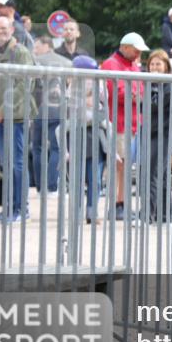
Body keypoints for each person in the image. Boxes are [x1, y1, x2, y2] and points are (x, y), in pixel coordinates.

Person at [0, 16, 37, 221]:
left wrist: (2, 109)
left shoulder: (20, 52)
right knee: (6, 163)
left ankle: (21, 209)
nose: (0, 31)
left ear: (12, 30)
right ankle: (10, 207)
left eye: (4, 28)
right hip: (0, 116)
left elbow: (26, 84)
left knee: (17, 163)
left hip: (16, 115)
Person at [101, 32, 149, 220]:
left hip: (132, 123)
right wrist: (136, 95)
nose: (138, 54)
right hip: (119, 123)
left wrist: (136, 94)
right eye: (136, 50)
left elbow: (139, 90)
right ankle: (116, 204)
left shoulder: (132, 65)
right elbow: (118, 92)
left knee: (125, 165)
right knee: (119, 165)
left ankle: (121, 203)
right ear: (126, 47)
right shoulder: (111, 64)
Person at [65, 55, 105, 224]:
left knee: (95, 178)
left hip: (95, 135)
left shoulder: (99, 86)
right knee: (77, 179)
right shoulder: (71, 88)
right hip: (76, 134)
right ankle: (77, 211)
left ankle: (92, 212)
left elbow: (104, 111)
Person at [30, 36, 71, 194]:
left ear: (47, 46)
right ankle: (52, 186)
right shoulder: (66, 62)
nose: (35, 50)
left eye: (37, 47)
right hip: (58, 108)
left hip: (38, 108)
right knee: (56, 147)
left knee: (37, 147)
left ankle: (41, 186)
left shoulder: (34, 62)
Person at [144, 50, 172, 223]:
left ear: (166, 66)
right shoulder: (150, 84)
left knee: (153, 173)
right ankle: (165, 213)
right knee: (160, 174)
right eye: (152, 64)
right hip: (152, 132)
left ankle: (147, 213)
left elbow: (155, 106)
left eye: (158, 64)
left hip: (165, 132)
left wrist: (142, 98)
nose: (154, 67)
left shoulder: (170, 84)